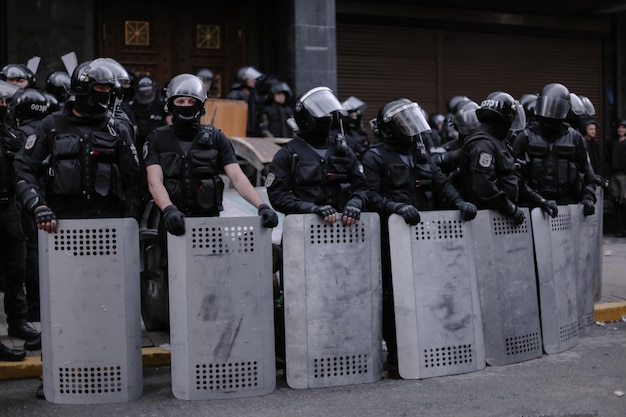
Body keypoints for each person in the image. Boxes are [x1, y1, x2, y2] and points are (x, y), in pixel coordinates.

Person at [362, 98, 478, 377]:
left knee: (430, 292)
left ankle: (429, 347)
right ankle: (397, 356)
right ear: (390, 129)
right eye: (403, 124)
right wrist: (396, 208)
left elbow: (440, 185)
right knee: (394, 298)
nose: (410, 129)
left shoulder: (420, 153)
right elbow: (370, 196)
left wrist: (458, 202)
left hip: (426, 238)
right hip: (391, 241)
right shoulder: (374, 157)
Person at [266, 86, 367, 223]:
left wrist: (355, 203)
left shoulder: (343, 150)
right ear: (305, 118)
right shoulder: (288, 153)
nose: (328, 118)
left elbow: (362, 187)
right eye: (322, 114)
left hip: (343, 230)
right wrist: (311, 209)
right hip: (302, 229)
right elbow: (277, 196)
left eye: (330, 113)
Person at [461, 91, 559, 224]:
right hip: (486, 222)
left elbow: (514, 179)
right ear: (503, 119)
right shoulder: (483, 145)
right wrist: (511, 209)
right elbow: (484, 187)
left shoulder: (498, 142)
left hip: (502, 220)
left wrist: (540, 200)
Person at [8, 88, 55, 324]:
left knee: (31, 254)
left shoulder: (17, 135)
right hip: (48, 199)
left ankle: (35, 310)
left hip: (25, 200)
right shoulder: (49, 131)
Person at [512, 83, 597, 213]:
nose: (550, 115)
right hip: (533, 204)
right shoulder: (525, 136)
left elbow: (588, 173)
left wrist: (588, 197)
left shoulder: (575, 138)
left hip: (567, 204)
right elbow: (511, 173)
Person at [0, 80, 37, 360]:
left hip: (8, 206)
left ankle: (18, 322)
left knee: (16, 266)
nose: (4, 106)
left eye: (5, 103)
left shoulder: (8, 133)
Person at [226, 66, 264, 137]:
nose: (254, 81)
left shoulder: (254, 96)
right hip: (237, 132)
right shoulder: (235, 95)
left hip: (254, 134)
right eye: (251, 79)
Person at [606, 118, 626, 237]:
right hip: (614, 174)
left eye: (623, 127)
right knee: (616, 202)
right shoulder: (612, 142)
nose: (621, 130)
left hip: (625, 175)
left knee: (624, 202)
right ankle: (620, 228)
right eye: (619, 127)